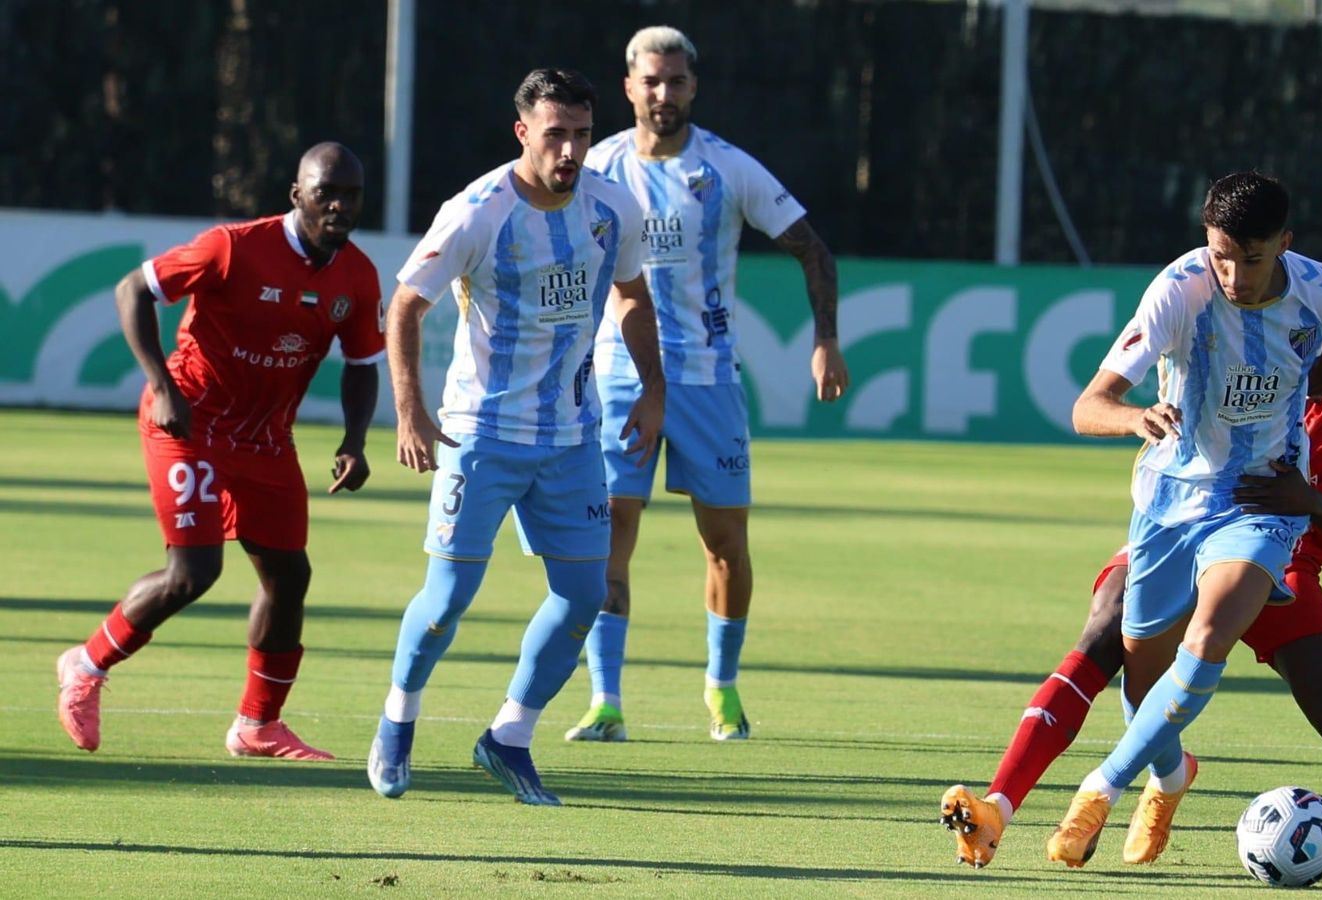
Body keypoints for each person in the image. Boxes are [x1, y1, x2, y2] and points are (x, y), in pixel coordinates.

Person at [940, 263, 1322, 882]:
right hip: (1198, 512)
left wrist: (1303, 498)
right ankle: (1006, 805)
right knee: (1107, 630)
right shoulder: (1316, 331)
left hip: (1290, 558)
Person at [366, 68, 664, 806]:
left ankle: (509, 737)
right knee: (448, 599)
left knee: (583, 593)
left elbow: (630, 294)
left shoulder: (613, 208)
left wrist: (655, 388)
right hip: (482, 434)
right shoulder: (477, 211)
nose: (570, 150)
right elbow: (404, 305)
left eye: (583, 135)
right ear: (523, 132)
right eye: (556, 133)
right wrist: (409, 410)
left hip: (571, 437)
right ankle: (397, 722)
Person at [1037, 172, 1322, 866]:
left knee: (1209, 634)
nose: (1233, 275)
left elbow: (1316, 367)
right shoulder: (1178, 291)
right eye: (1221, 255)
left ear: (1285, 246)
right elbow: (1089, 404)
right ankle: (1170, 778)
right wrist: (1135, 418)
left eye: (1252, 258)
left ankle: (1098, 789)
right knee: (1143, 680)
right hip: (1171, 501)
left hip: (1259, 500)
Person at [562, 25, 849, 744]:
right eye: (650, 81)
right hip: (621, 376)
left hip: (708, 380)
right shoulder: (593, 168)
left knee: (725, 542)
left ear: (694, 86)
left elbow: (811, 248)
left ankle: (721, 691)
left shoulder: (727, 169)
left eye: (677, 81)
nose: (663, 94)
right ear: (628, 86)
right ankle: (605, 701)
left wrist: (826, 340)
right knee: (608, 541)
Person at [54, 142, 383, 761]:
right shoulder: (235, 246)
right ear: (297, 195)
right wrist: (162, 386)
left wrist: (354, 440)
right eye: (325, 193)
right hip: (189, 424)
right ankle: (86, 664)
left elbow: (362, 364)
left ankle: (258, 725)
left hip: (265, 439)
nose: (340, 205)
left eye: (352, 194)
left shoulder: (357, 276)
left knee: (290, 576)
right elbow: (133, 291)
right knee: (194, 573)